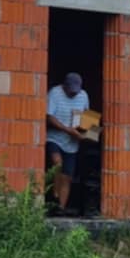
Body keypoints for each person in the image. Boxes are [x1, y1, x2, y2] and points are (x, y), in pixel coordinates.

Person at [45, 72, 90, 213]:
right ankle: (54, 196)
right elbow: (49, 117)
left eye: (76, 91)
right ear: (64, 86)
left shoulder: (83, 95)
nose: (73, 93)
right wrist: (66, 129)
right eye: (71, 91)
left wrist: (86, 133)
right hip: (55, 137)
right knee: (57, 164)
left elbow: (87, 119)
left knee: (67, 176)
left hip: (72, 142)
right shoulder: (55, 93)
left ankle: (60, 208)